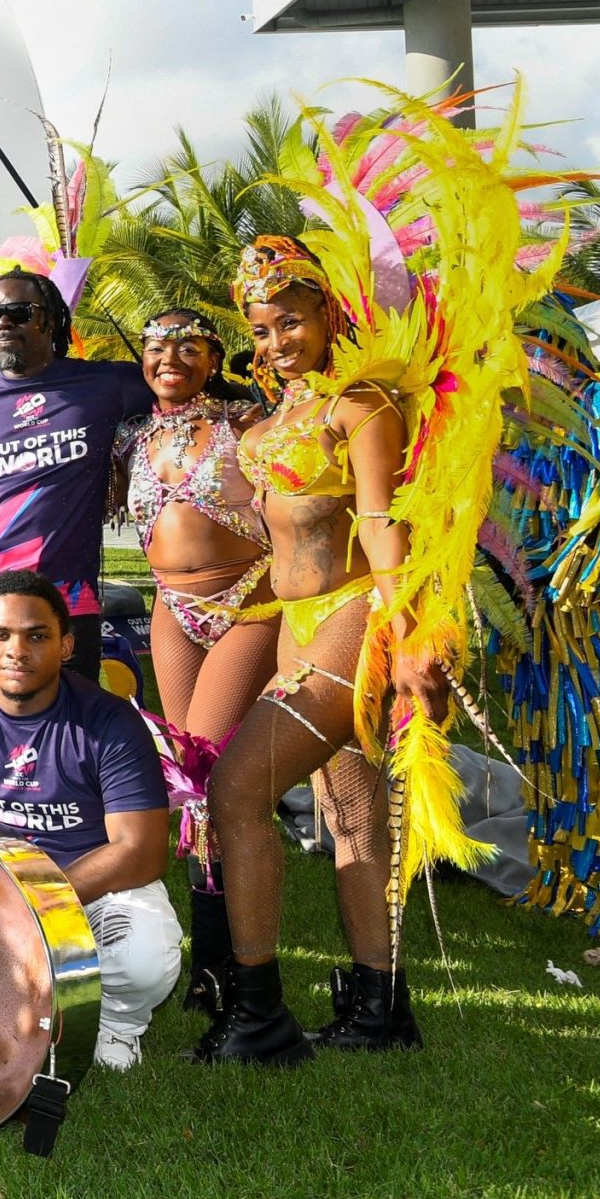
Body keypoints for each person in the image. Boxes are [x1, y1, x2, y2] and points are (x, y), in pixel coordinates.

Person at [201, 237, 424, 1064]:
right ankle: (380, 1008)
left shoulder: (358, 407)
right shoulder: (271, 422)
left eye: (289, 321)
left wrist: (405, 634)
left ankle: (259, 1016)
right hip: (295, 625)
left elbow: (377, 521)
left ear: (330, 313)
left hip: (353, 618)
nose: (275, 342)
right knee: (353, 816)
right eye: (261, 329)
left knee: (237, 790)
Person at [0, 569, 178, 1071]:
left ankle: (116, 1023)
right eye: (1, 636)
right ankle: (13, 994)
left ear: (66, 646)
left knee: (144, 958)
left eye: (37, 636)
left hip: (92, 885)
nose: (16, 651)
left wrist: (37, 904)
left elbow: (141, 850)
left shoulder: (110, 720)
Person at [116, 307, 273, 1005]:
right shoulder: (133, 437)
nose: (169, 357)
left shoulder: (249, 429)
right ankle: (213, 966)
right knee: (186, 784)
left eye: (187, 346)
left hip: (248, 603)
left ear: (215, 358)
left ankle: (233, 964)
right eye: (156, 346)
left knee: (207, 767)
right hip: (171, 609)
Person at [0, 269, 150, 684]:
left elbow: (183, 385)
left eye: (18, 313)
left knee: (65, 738)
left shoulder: (105, 384)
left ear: (52, 320)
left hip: (64, 602)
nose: (3, 324)